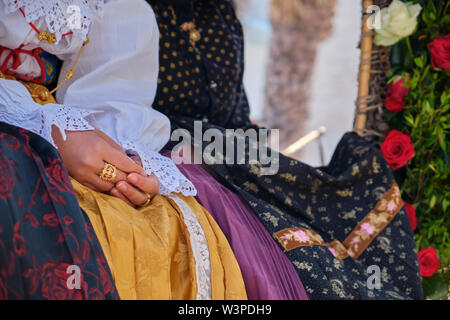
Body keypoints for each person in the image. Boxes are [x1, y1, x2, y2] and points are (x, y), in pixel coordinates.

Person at [146, 0, 424, 299]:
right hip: (177, 154)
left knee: (363, 177)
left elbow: (235, 112)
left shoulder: (219, 11)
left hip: (234, 158)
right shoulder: (139, 11)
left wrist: (256, 154)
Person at [0, 0, 246, 300]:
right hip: (18, 127)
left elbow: (112, 80)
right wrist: (45, 126)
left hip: (67, 126)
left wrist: (124, 160)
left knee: (162, 224)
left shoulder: (220, 18)